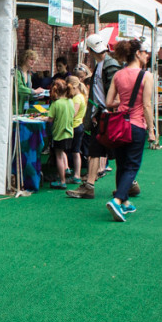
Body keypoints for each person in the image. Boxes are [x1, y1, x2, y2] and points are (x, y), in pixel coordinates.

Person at [103, 38, 156, 221]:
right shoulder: (146, 76)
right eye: (145, 52)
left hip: (120, 126)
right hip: (136, 125)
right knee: (132, 166)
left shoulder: (118, 75)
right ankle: (117, 201)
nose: (147, 55)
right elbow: (147, 105)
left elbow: (109, 103)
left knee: (122, 164)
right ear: (137, 54)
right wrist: (152, 130)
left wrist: (123, 102)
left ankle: (124, 202)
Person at [67, 34, 119, 199]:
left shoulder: (109, 65)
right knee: (96, 150)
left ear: (89, 50)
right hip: (102, 116)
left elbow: (114, 92)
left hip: (108, 116)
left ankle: (129, 183)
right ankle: (89, 185)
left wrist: (104, 112)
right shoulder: (101, 65)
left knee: (116, 151)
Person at [44, 79, 74, 189]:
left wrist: (44, 118)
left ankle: (62, 181)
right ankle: (63, 175)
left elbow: (50, 119)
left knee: (59, 156)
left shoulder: (55, 104)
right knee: (62, 154)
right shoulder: (70, 101)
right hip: (69, 133)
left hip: (59, 134)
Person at [66, 75, 87, 184]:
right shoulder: (80, 97)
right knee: (75, 151)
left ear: (74, 87)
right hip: (78, 126)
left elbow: (73, 114)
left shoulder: (77, 98)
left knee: (75, 151)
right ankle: (75, 174)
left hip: (75, 126)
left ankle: (76, 175)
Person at [14, 49, 38, 115]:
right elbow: (19, 88)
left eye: (34, 60)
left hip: (24, 110)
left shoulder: (29, 75)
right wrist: (34, 91)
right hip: (15, 108)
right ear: (25, 59)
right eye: (31, 59)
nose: (33, 62)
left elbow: (28, 94)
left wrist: (37, 96)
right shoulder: (17, 72)